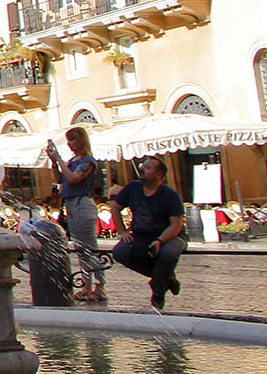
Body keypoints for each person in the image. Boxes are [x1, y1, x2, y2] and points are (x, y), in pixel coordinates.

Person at [111, 156, 188, 310]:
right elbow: (115, 207)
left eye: (147, 168)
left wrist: (160, 240)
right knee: (119, 252)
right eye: (142, 166)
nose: (142, 169)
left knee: (167, 254)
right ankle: (166, 278)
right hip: (141, 236)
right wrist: (122, 231)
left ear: (158, 174)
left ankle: (158, 291)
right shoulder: (133, 188)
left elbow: (176, 225)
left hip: (171, 236)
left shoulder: (170, 195)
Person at [45, 127, 107, 302]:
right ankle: (87, 285)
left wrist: (59, 159)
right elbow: (60, 179)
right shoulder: (72, 161)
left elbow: (73, 178)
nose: (69, 144)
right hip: (71, 205)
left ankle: (100, 286)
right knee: (81, 248)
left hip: (82, 204)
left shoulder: (88, 161)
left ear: (82, 141)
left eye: (72, 140)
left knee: (90, 247)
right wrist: (54, 163)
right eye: (68, 140)